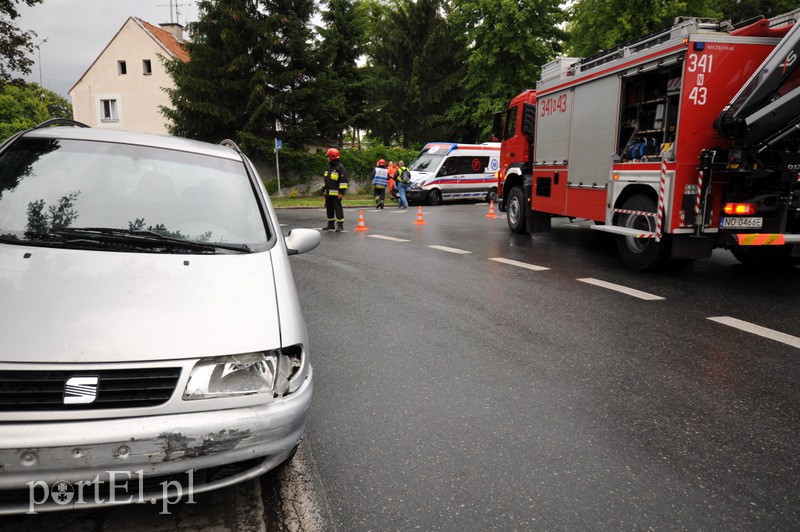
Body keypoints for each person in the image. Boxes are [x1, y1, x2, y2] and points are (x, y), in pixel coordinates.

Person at [322, 148, 348, 232]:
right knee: (329, 208)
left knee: (338, 209)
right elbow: (325, 180)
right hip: (328, 193)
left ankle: (340, 225)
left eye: (328, 156)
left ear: (332, 157)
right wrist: (324, 191)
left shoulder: (340, 168)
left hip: (337, 194)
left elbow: (343, 181)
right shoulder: (328, 167)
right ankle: (331, 224)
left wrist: (341, 193)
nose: (327, 158)